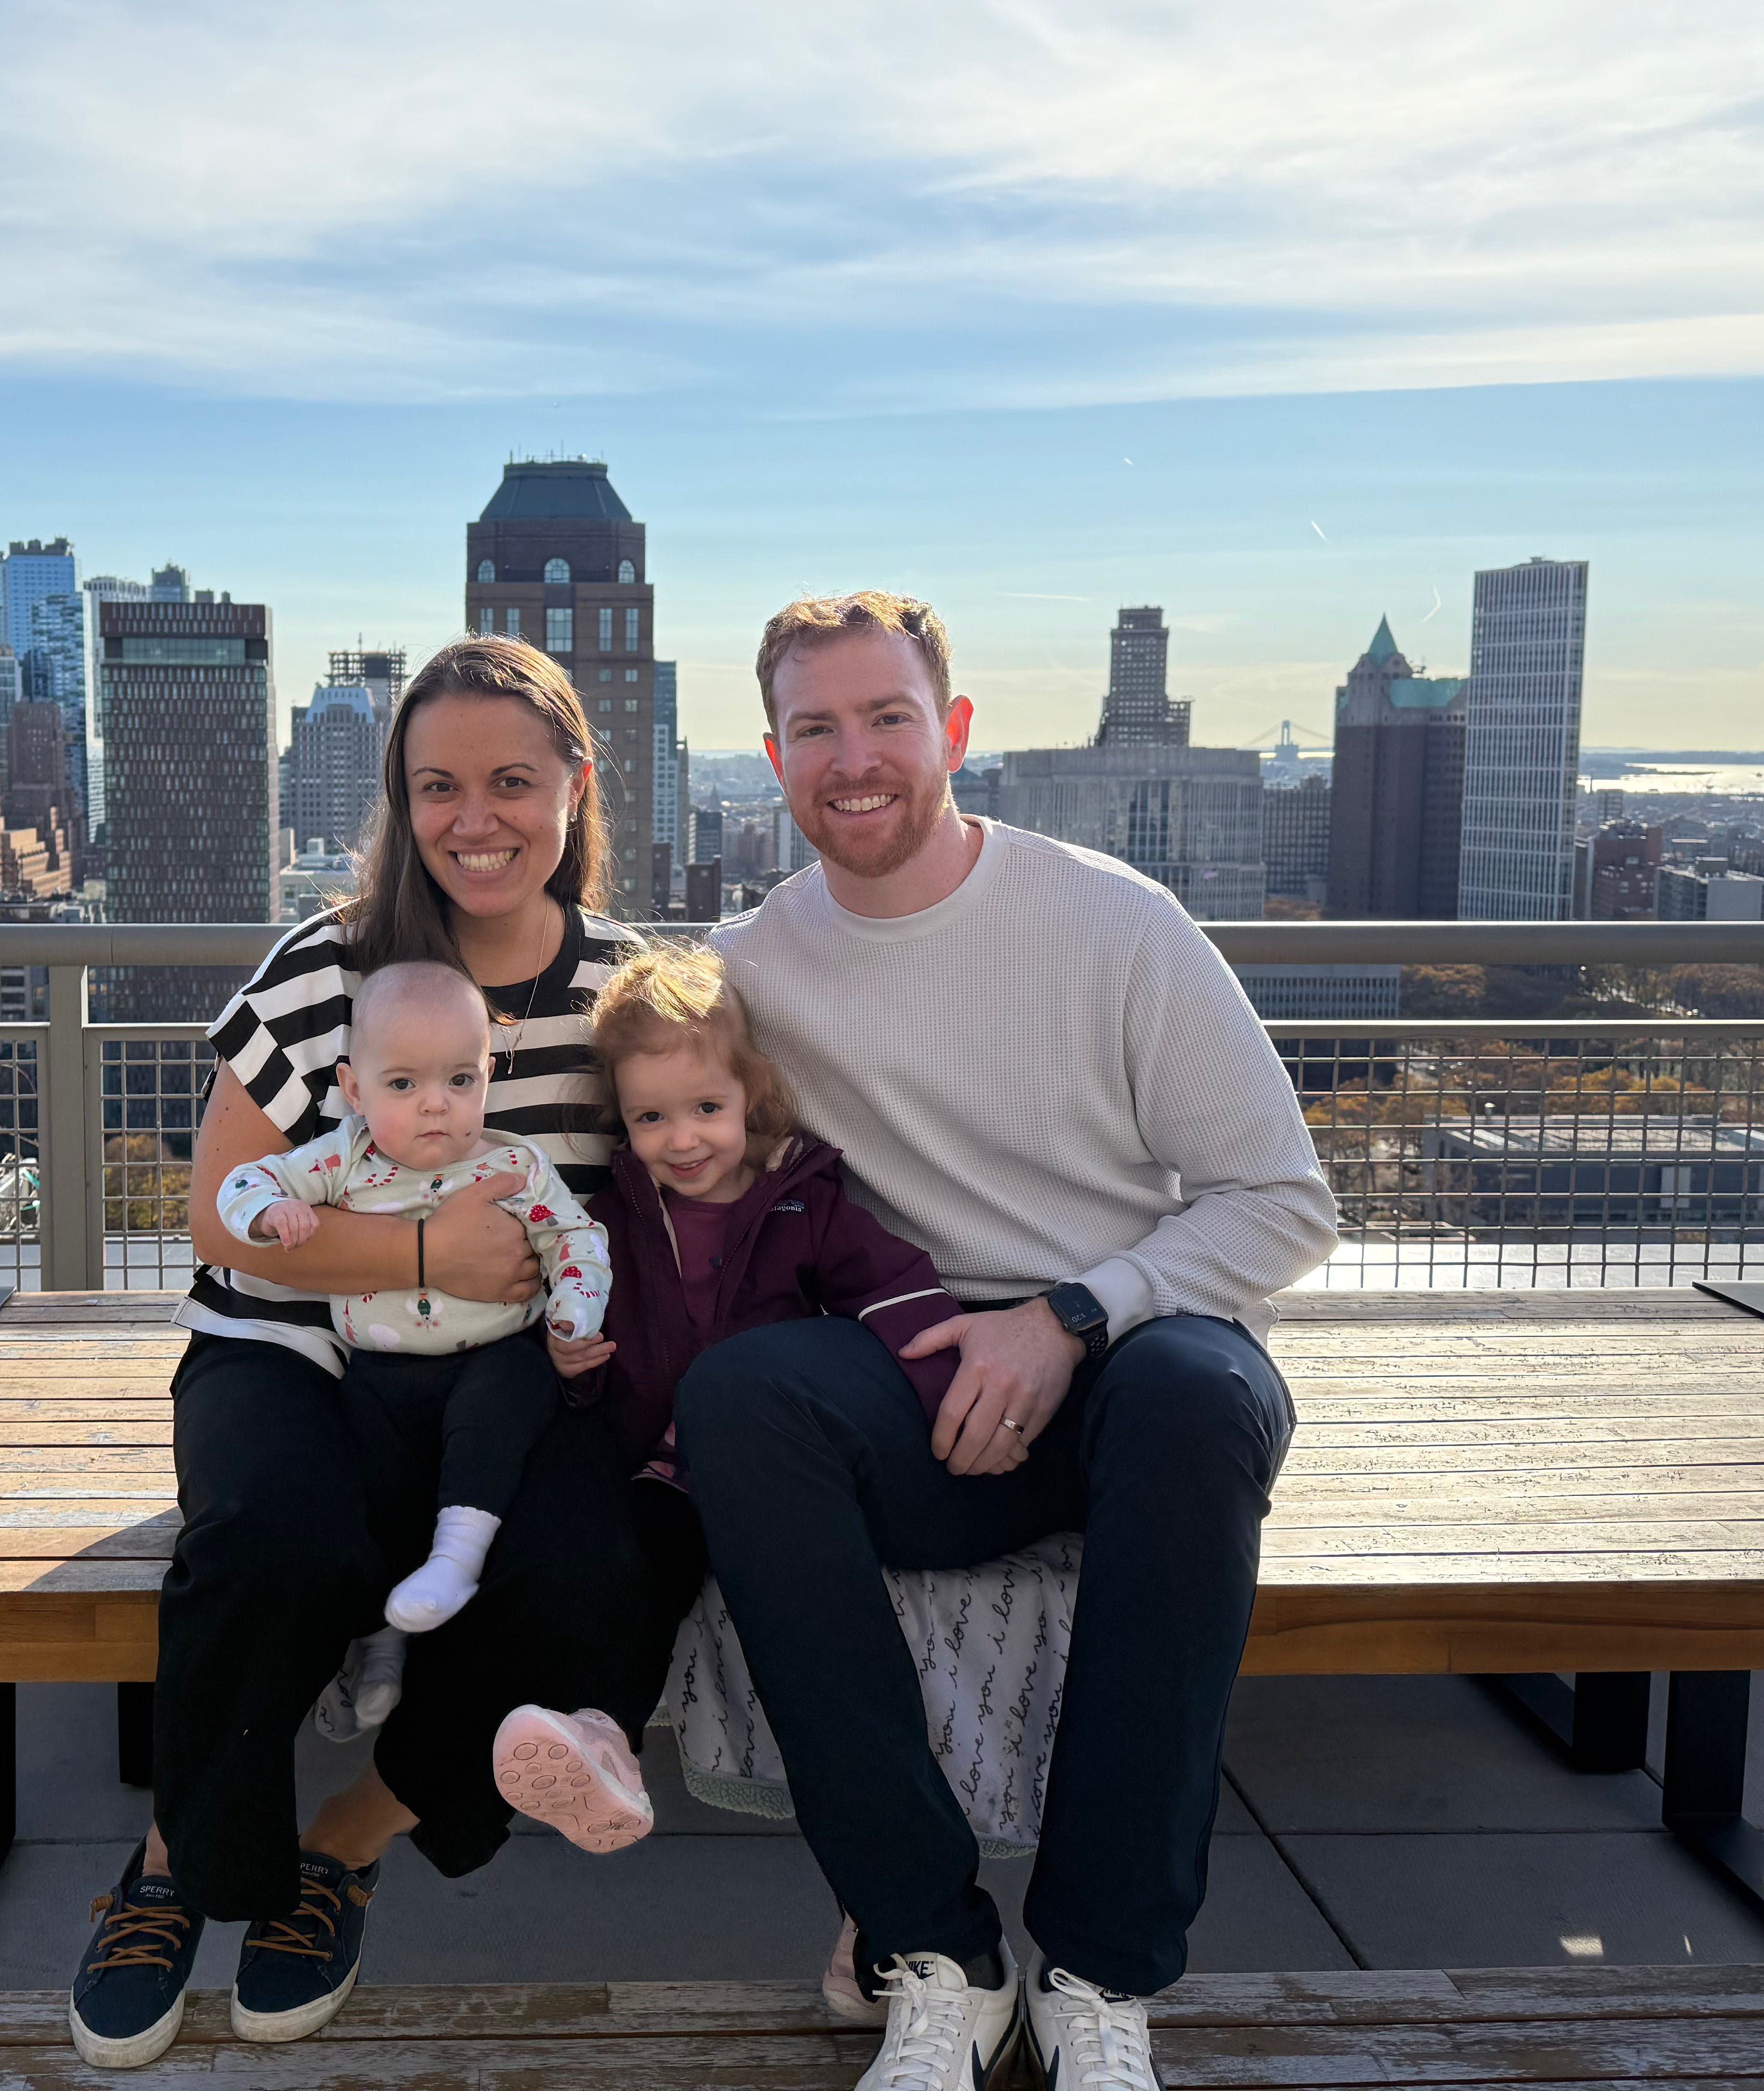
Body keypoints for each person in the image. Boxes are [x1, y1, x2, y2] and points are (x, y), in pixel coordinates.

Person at [679, 592, 1339, 2091]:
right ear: (772, 757)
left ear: (953, 729)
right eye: (816, 729)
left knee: (1195, 1399)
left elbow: (1286, 1203)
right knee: (741, 1401)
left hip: (1126, 1353)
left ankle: (1100, 1975)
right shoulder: (750, 970)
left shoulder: (1114, 923)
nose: (855, 759)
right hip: (916, 1387)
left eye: (887, 718)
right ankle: (938, 1957)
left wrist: (1070, 1315)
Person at [69, 637, 643, 2071]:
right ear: (399, 798)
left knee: (596, 1563)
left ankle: (346, 1840)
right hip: (295, 1347)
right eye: (438, 784)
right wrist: (416, 1255)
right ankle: (172, 1867)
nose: (476, 816)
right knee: (273, 1534)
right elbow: (220, 1214)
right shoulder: (329, 967)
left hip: (505, 1374)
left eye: (514, 779)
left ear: (578, 783)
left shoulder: (632, 990)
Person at [484, 938, 970, 1859]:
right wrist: (573, 1368)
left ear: (754, 1096)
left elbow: (895, 1290)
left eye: (708, 1108)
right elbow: (579, 1321)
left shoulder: (803, 1203)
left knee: (814, 1610)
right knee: (635, 1569)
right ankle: (606, 1740)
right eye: (653, 1117)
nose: (684, 1139)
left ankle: (882, 1842)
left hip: (772, 1473)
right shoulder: (618, 1219)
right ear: (623, 1123)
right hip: (663, 1468)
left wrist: (945, 1396)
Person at [216, 957, 609, 1650]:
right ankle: (385, 1642)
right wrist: (270, 1211)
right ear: (354, 1090)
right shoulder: (342, 1160)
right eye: (403, 1083)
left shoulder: (513, 1165)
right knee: (374, 1484)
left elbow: (573, 1236)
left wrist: (575, 1305)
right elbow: (242, 1180)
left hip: (494, 1356)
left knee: (507, 1401)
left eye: (460, 1080)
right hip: (377, 1373)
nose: (436, 1103)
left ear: (488, 1077)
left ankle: (458, 1557)